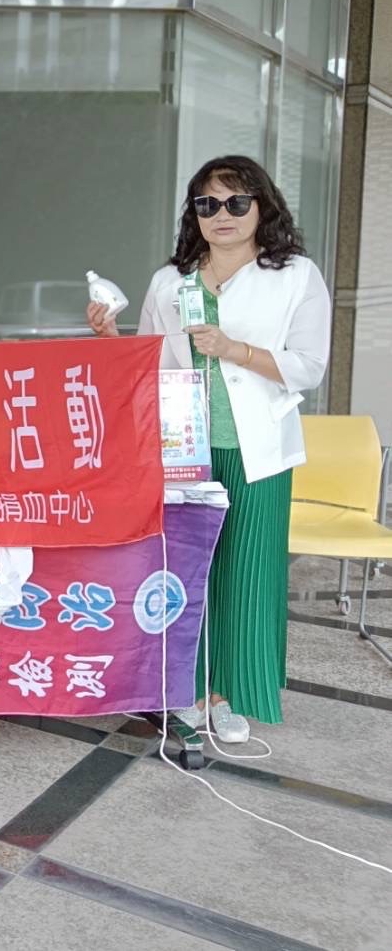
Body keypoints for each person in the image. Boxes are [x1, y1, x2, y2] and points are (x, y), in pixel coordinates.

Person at [88, 155, 329, 740]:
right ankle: (186, 688)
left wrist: (234, 349)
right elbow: (148, 363)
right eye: (208, 204)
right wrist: (111, 337)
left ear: (262, 208)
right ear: (194, 214)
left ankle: (229, 694)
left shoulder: (294, 275)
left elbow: (309, 365)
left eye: (236, 202)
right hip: (182, 446)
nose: (222, 214)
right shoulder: (170, 281)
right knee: (185, 570)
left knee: (246, 574)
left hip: (256, 449)